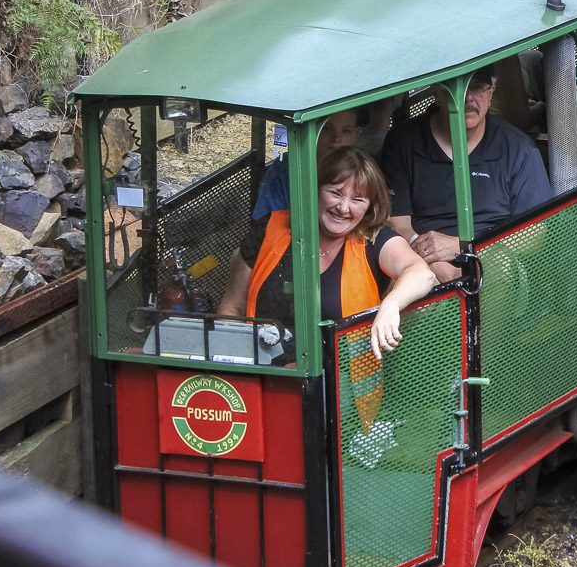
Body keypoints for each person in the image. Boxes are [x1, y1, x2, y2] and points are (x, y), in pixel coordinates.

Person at [217, 146, 435, 362]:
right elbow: (232, 308)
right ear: (315, 189)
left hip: (345, 386)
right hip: (267, 376)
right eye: (335, 193)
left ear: (370, 207)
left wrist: (390, 306)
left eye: (358, 200)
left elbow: (421, 274)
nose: (343, 207)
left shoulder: (376, 240)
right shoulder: (270, 227)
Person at [379, 68, 553, 281]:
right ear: (437, 91)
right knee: (413, 281)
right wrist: (432, 263)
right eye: (456, 88)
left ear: (491, 93)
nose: (468, 98)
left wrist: (462, 245)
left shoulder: (518, 149)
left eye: (478, 87)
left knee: (500, 265)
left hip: (494, 263)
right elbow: (396, 223)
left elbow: (535, 233)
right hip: (422, 261)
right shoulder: (403, 142)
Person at [251, 108, 358, 220]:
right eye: (326, 128)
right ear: (313, 131)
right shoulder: (288, 167)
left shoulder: (359, 170)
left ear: (355, 136)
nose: (336, 138)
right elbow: (266, 220)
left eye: (346, 131)